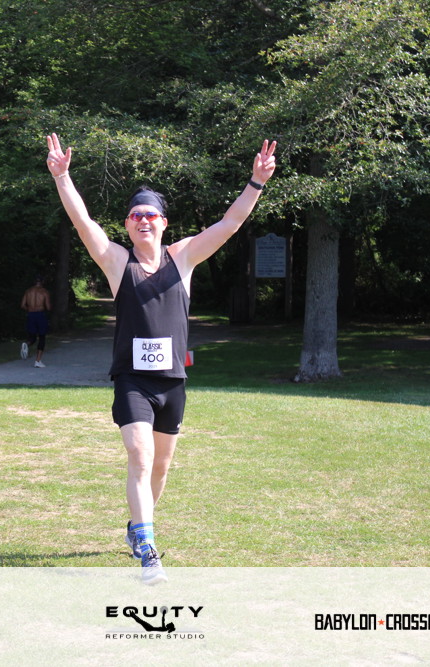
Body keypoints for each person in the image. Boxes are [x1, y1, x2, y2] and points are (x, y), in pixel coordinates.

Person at [45, 132, 276, 584]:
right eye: (135, 215)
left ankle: (137, 526)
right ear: (127, 224)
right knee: (139, 453)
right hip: (132, 380)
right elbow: (83, 222)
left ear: (164, 222)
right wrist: (62, 177)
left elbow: (229, 224)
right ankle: (149, 549)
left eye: (150, 215)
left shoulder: (183, 257)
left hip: (172, 382)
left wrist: (256, 182)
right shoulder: (117, 262)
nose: (143, 221)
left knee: (161, 467)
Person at [20, 276, 52, 367]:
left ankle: (26, 344)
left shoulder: (28, 291)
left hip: (31, 314)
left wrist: (29, 309)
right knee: (42, 337)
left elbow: (22, 305)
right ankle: (38, 361)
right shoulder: (44, 292)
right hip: (40, 315)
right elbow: (48, 307)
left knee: (32, 337)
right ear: (42, 282)